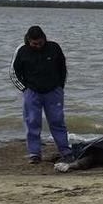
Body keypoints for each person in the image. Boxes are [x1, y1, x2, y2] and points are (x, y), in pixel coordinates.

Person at [10, 26, 72, 164]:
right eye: (34, 43)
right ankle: (34, 154)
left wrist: (60, 87)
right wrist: (24, 89)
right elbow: (14, 72)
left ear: (44, 38)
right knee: (32, 122)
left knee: (57, 122)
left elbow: (63, 68)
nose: (37, 46)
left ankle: (65, 151)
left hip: (53, 91)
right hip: (31, 92)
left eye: (40, 43)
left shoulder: (54, 47)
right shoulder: (21, 51)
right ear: (28, 41)